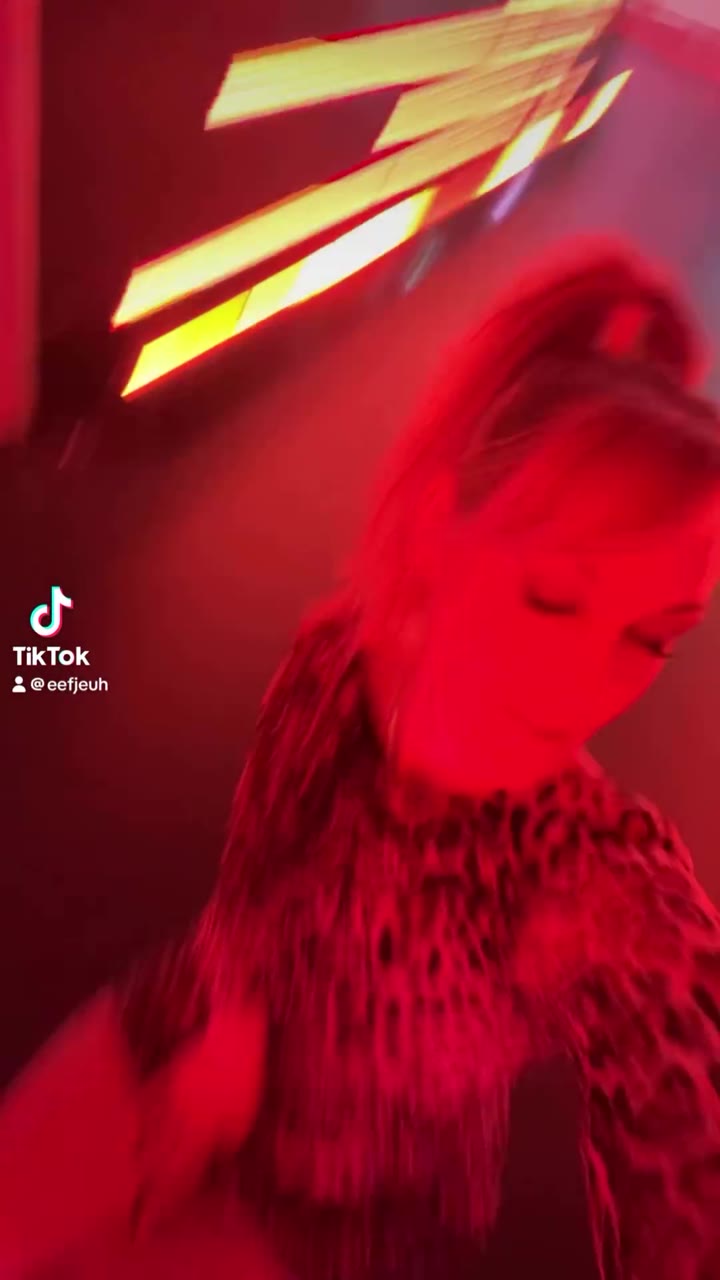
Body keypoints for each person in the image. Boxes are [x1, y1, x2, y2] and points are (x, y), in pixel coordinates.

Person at [2, 240, 720, 1280]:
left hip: (350, 1212)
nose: (588, 681)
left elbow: (687, 1165)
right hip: (196, 1015)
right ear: (432, 532)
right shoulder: (341, 662)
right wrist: (229, 1039)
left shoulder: (599, 880)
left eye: (654, 637)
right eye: (554, 598)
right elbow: (259, 853)